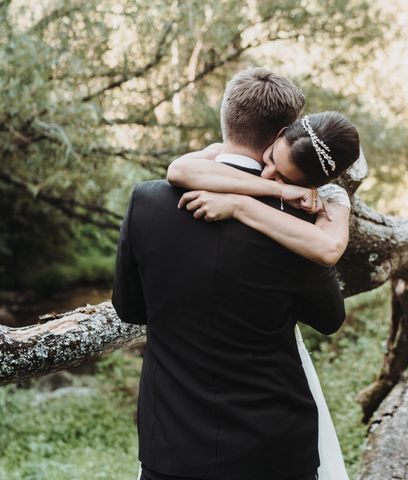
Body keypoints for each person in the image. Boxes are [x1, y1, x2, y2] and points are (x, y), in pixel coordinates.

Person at [112, 67, 352, 480]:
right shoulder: (297, 220)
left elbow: (129, 308)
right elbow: (329, 319)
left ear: (225, 115)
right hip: (273, 451)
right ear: (281, 133)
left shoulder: (146, 202)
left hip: (172, 447)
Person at [166, 111, 360, 480]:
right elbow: (179, 171)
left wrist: (240, 205)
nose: (267, 173)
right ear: (279, 135)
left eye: (285, 176)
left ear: (320, 182)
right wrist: (281, 190)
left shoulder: (331, 197)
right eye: (272, 160)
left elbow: (327, 248)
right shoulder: (239, 157)